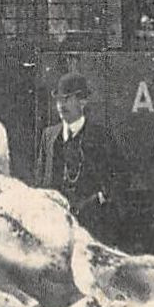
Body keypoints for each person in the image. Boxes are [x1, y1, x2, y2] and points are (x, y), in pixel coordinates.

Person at [33, 72, 122, 242]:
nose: (60, 105)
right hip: (57, 228)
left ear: (82, 101)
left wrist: (100, 199)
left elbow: (121, 177)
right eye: (58, 100)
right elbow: (40, 179)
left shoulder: (101, 137)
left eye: (67, 99)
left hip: (93, 227)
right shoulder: (49, 136)